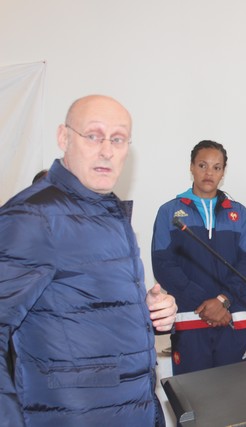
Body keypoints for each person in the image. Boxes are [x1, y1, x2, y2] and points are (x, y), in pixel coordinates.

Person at [0, 95, 177, 427]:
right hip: (74, 415)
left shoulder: (108, 212)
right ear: (63, 137)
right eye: (94, 136)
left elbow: (85, 307)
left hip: (131, 409)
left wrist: (148, 312)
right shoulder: (32, 216)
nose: (107, 150)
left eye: (118, 139)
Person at [152, 140, 246, 375]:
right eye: (202, 165)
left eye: (216, 167)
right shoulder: (169, 212)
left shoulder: (240, 213)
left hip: (234, 319)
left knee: (237, 395)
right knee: (193, 396)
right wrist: (206, 303)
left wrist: (223, 300)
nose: (209, 173)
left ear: (223, 172)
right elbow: (163, 265)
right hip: (190, 321)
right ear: (191, 167)